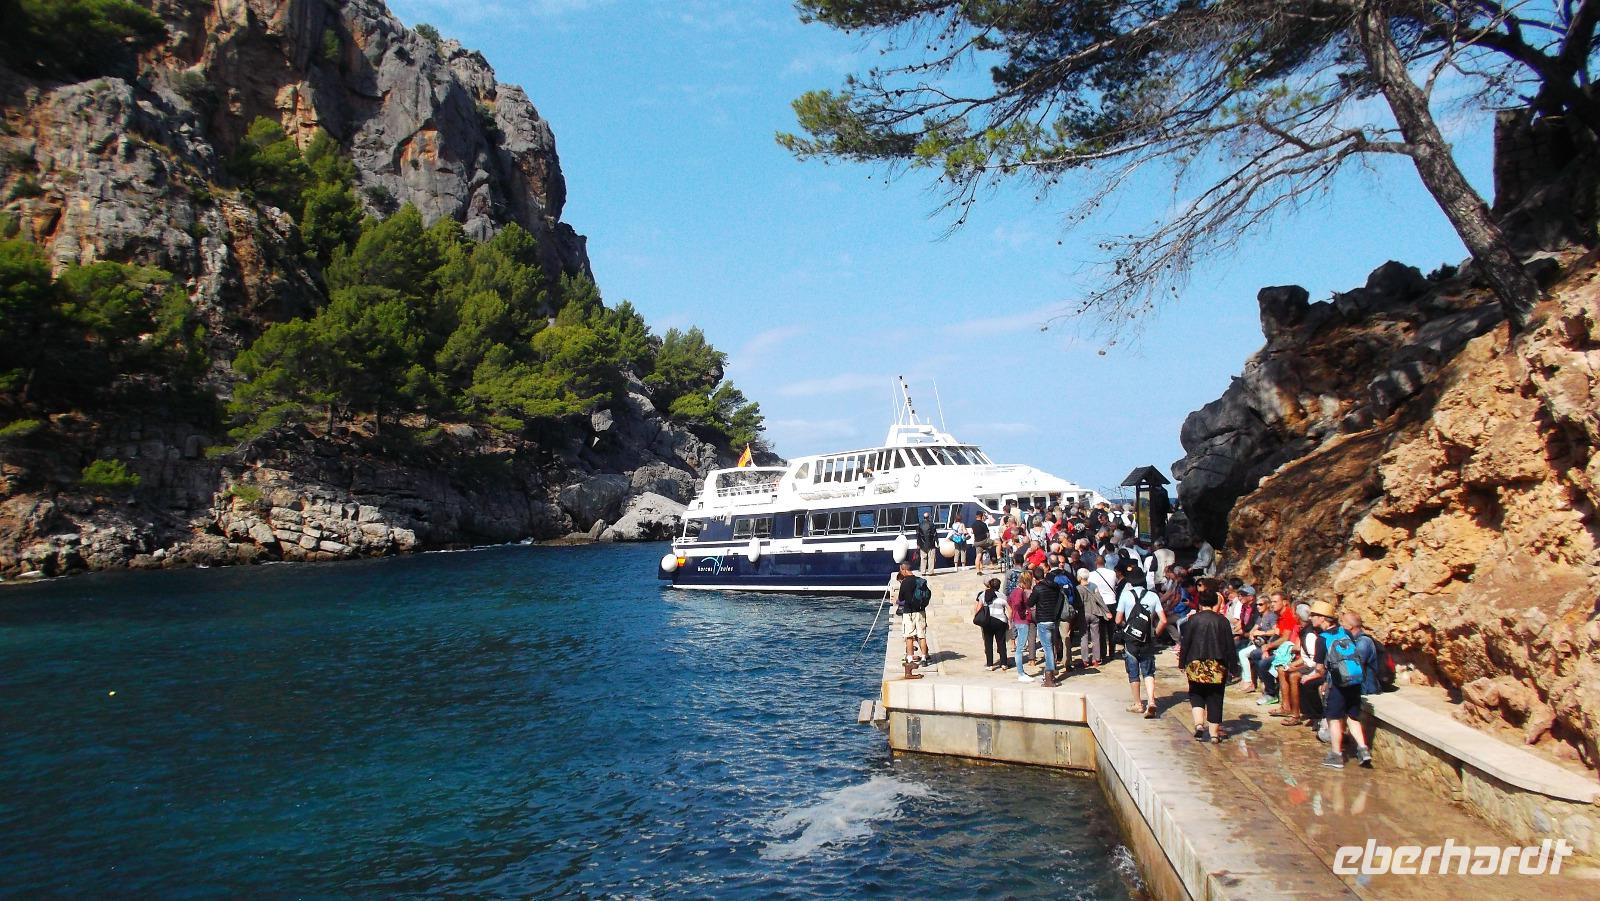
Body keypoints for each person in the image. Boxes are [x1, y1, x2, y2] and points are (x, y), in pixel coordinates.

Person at [1316, 606, 1375, 768]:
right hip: (1354, 681)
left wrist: (1322, 680)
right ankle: (1363, 750)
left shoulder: (1322, 639)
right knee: (1352, 717)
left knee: (1334, 719)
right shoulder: (1346, 633)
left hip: (1338, 683)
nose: (1312, 619)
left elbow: (1320, 667)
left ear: (1322, 618)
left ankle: (1336, 755)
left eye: (1315, 615)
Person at [1179, 588, 1237, 742]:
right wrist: (1234, 667)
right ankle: (1213, 735)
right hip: (1217, 664)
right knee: (1215, 697)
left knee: (1196, 693)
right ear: (1214, 603)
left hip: (1195, 662)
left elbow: (1186, 643)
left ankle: (1199, 725)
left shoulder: (1193, 620)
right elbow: (1229, 646)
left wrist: (1181, 662)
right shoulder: (1222, 621)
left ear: (1200, 603)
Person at [1116, 575, 1168, 718]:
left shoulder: (1126, 595)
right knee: (1148, 671)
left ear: (1131, 583)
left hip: (1131, 640)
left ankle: (1138, 704)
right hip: (1147, 638)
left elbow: (1118, 619)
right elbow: (1163, 621)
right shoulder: (1153, 596)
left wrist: (1128, 628)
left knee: (1133, 671)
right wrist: (1155, 634)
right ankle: (1151, 701)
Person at [1028, 565, 1066, 687]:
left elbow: (1030, 603)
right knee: (1052, 646)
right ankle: (1052, 671)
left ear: (1034, 578)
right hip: (1053, 619)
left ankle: (1049, 676)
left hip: (1043, 620)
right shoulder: (1054, 586)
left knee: (1048, 648)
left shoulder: (1038, 589)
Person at [896, 562, 931, 666]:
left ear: (904, 570)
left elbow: (901, 598)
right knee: (922, 636)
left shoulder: (905, 582)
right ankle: (924, 658)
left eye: (901, 570)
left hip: (908, 612)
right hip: (920, 611)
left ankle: (910, 659)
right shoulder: (919, 580)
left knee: (909, 636)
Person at [973, 577, 1010, 670]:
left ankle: (990, 664)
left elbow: (978, 607)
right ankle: (1004, 663)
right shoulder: (1003, 596)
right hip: (1000, 621)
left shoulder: (983, 594)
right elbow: (1009, 609)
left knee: (988, 643)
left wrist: (976, 617)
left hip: (988, 621)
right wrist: (1009, 620)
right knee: (1001, 642)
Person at [1076, 567, 1110, 667]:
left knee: (1084, 637)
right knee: (1096, 637)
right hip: (1095, 613)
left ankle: (1085, 660)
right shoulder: (1094, 586)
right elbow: (1100, 599)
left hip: (1084, 614)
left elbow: (1079, 603)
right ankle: (1096, 659)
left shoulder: (1078, 589)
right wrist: (1106, 611)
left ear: (1079, 577)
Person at [1009, 571, 1037, 682]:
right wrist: (1022, 612)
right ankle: (1020, 672)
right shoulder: (1020, 592)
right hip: (1022, 621)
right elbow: (1016, 604)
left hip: (1017, 620)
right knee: (1020, 648)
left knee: (1020, 648)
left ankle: (1021, 672)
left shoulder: (1015, 591)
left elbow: (1011, 602)